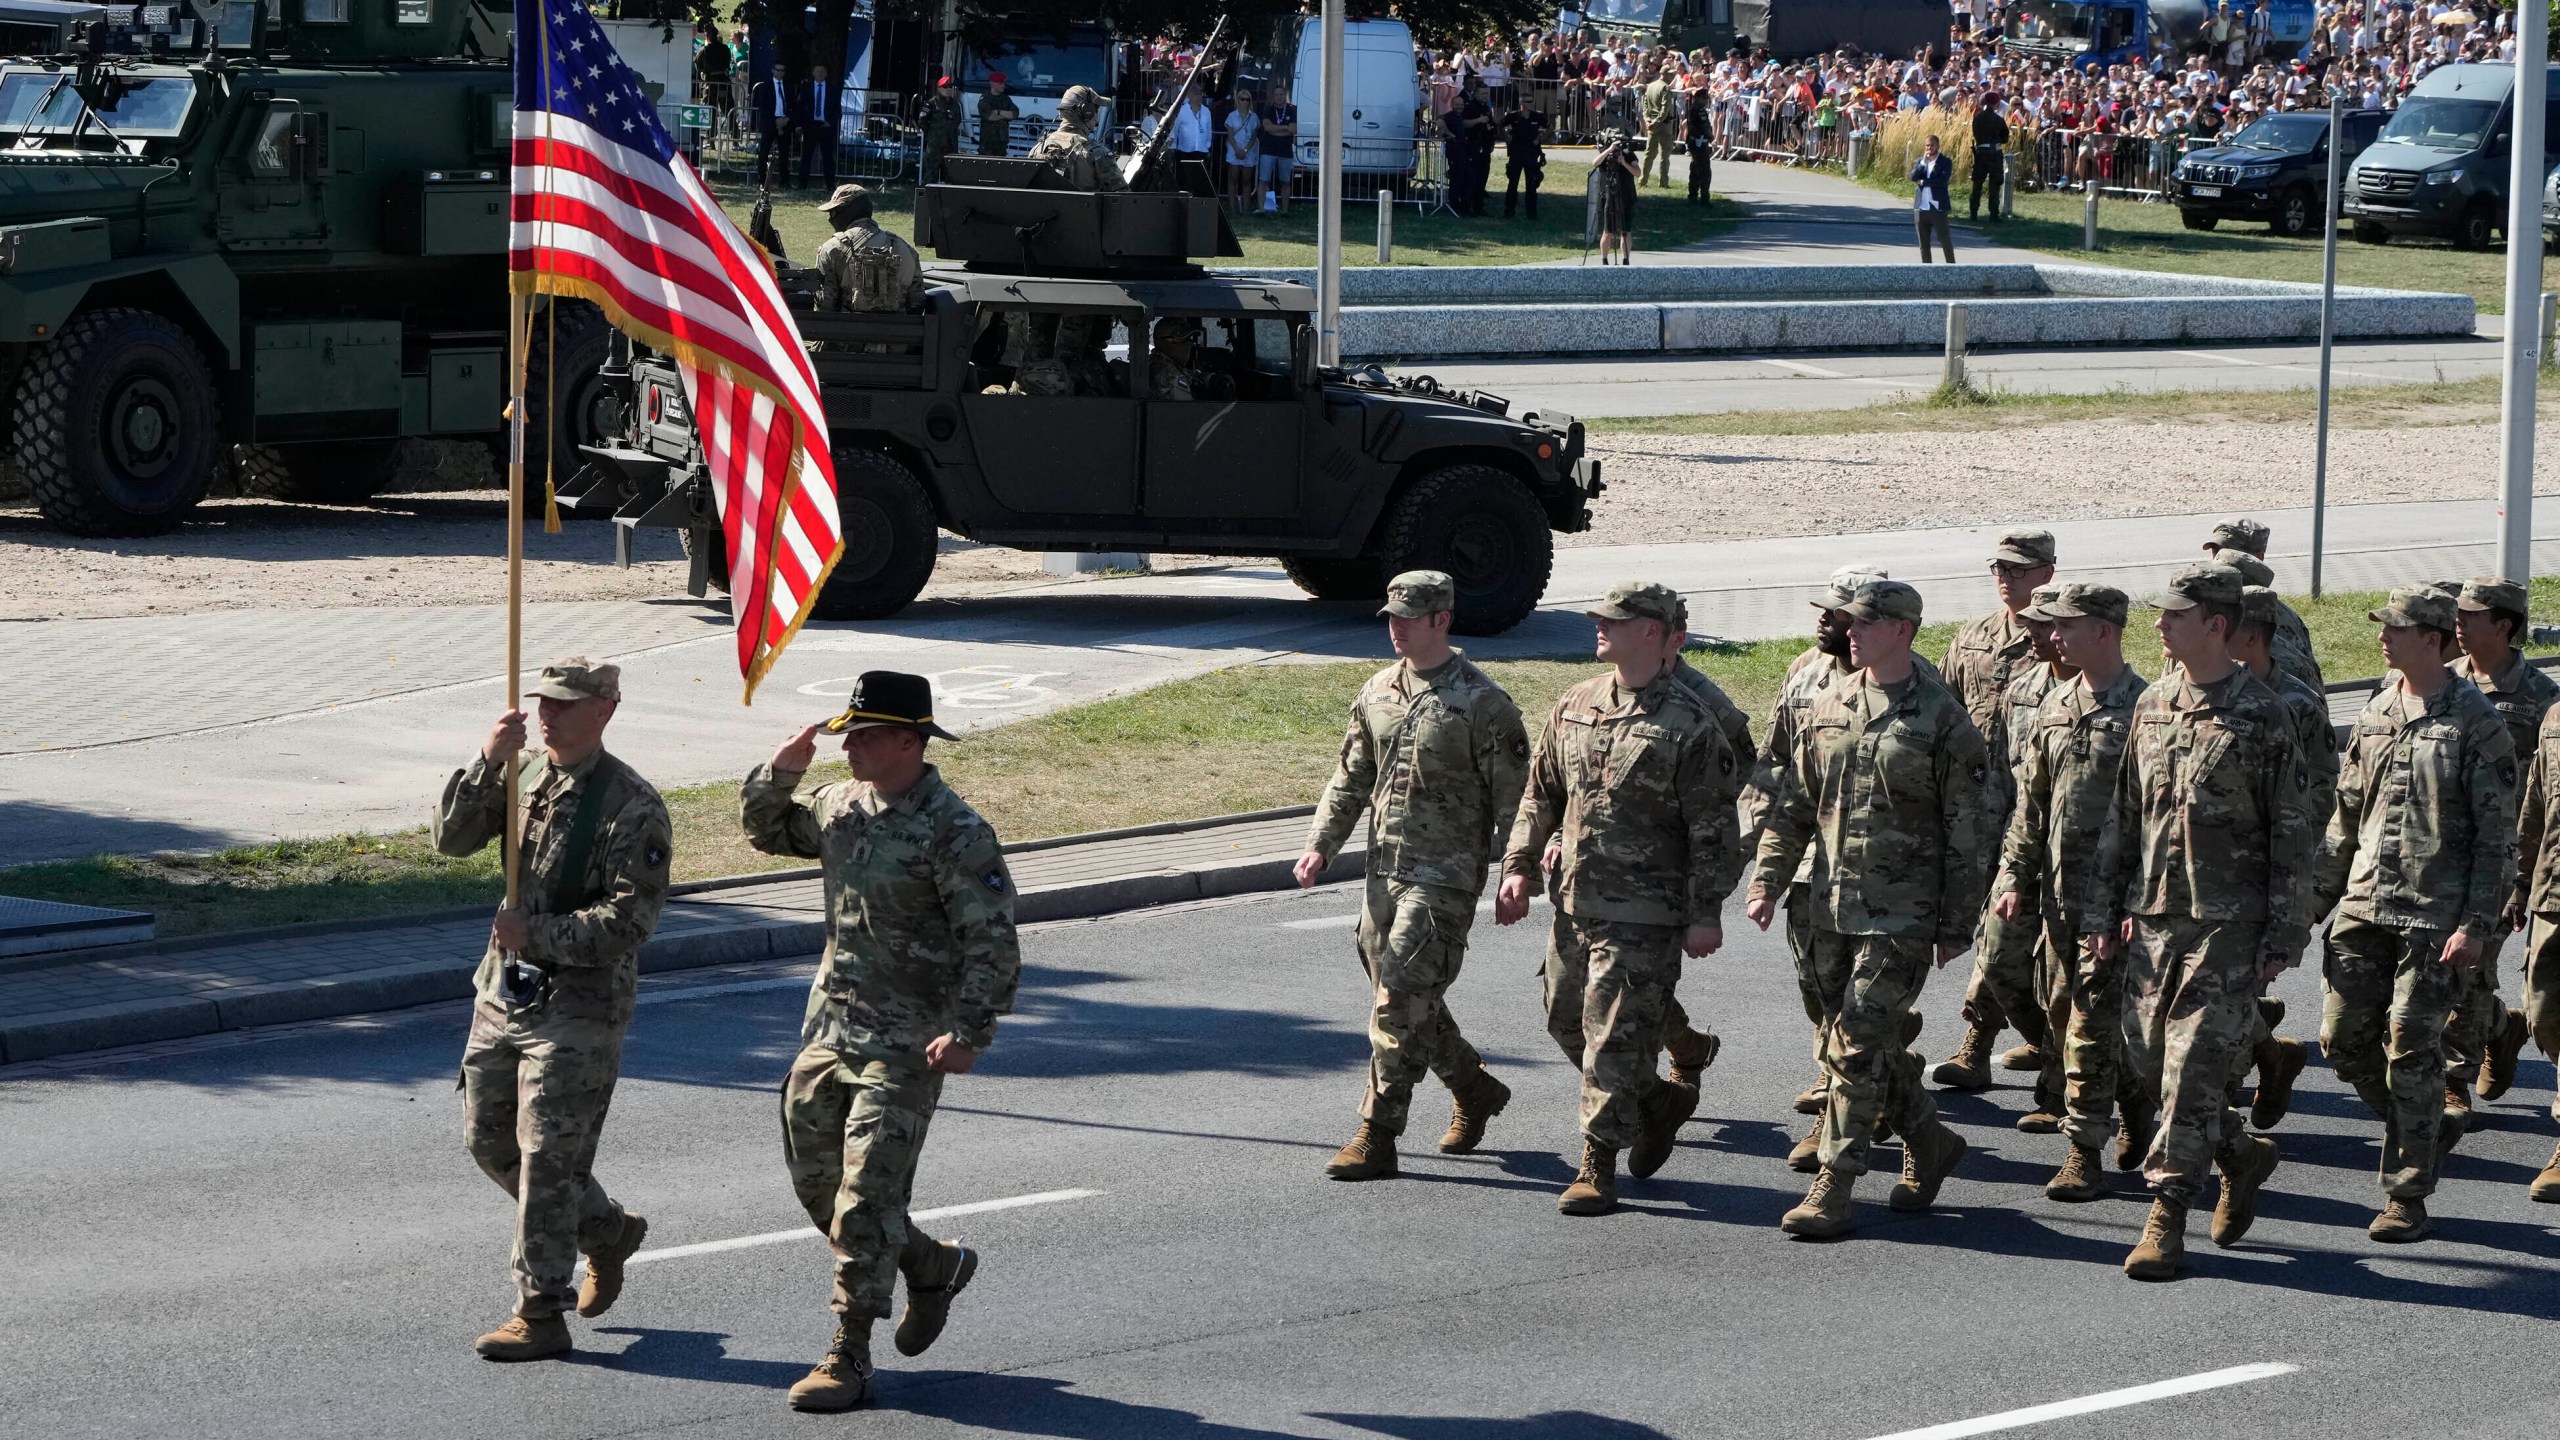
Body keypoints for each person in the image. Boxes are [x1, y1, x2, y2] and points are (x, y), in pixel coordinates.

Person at [741, 672, 1022, 1413]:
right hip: (829, 1031)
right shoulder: (840, 805)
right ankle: (930, 1265)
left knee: (867, 1198)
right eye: (848, 733)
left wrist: (970, 1033)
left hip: (907, 1044)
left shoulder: (955, 830)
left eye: (865, 734)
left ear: (910, 740)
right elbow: (769, 832)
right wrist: (781, 775)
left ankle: (848, 1352)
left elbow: (992, 939)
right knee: (818, 1186)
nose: (850, 745)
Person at [434, 658, 672, 1361]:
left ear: (604, 710)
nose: (549, 715)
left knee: (547, 1158)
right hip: (505, 991)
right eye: (544, 702)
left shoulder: (633, 805)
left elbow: (629, 923)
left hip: (580, 1005)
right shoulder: (524, 774)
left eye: (566, 704)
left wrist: (535, 933)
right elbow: (450, 840)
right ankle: (605, 1231)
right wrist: (486, 762)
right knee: (490, 1141)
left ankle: (540, 1309)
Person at [1748, 578, 1987, 1239]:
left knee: (1853, 1047)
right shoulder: (1826, 701)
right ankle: (1927, 1138)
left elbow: (1969, 829)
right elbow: (1796, 801)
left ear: (1904, 629)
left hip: (1901, 915)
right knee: (1849, 1041)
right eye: (1847, 618)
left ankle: (1836, 1183)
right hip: (1823, 903)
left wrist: (1956, 921)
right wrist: (1766, 880)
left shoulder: (1941, 718)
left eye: (1866, 619)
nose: (1848, 627)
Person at [2090, 563, 2308, 1282]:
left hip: (2229, 921)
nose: (2159, 625)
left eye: (2174, 615)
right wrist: (2104, 910)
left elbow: (2291, 829)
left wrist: (2282, 932)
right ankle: (2241, 1157)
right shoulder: (2153, 705)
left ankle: (2166, 1214)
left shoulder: (2262, 712)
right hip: (2153, 918)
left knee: (2189, 1073)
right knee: (2149, 1061)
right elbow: (2124, 816)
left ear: (2215, 624)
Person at [1496, 581, 1739, 1217]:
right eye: (1600, 617)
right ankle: (1656, 1103)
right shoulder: (1575, 703)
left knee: (1610, 1039)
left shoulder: (1689, 723)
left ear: (1653, 633)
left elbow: (1712, 831)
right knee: (1562, 1018)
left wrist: (1704, 912)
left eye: (1616, 620)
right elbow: (1541, 792)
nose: (1600, 627)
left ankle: (1596, 1164)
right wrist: (1519, 862)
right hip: (1576, 899)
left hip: (1647, 913)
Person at [1298, 571, 1530, 1181]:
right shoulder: (1377, 690)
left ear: (1442, 620)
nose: (1396, 627)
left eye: (1409, 616)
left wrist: (1517, 870)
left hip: (1445, 879)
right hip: (1384, 871)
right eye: (1392, 616)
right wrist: (1321, 845)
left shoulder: (1484, 703)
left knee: (1399, 999)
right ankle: (1474, 1089)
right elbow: (1351, 776)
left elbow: (1518, 803)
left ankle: (1377, 1133)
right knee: (1404, 998)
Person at [2312, 587, 2517, 1243]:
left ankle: (2407, 1195)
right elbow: (2345, 820)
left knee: (2412, 1051)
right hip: (2366, 904)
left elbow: (2497, 841)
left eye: (2395, 629)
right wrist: (2306, 910)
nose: (2382, 637)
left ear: (2431, 639)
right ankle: (2423, 1123)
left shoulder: (2475, 723)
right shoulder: (2375, 711)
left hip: (2436, 917)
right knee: (2341, 1042)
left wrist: (2476, 926)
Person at [1740, 566, 1936, 1167]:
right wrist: (1760, 837)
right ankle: (1899, 1109)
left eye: (1842, 611)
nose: (1828, 619)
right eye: (1825, 609)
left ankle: (1839, 1117)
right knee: (1822, 997)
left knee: (1856, 1021)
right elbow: (1778, 762)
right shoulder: (1806, 672)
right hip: (1810, 870)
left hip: (1886, 887)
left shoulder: (1925, 691)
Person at [1994, 584, 2152, 1201]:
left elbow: (2162, 821)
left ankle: (2082, 1151)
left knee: (2089, 1022)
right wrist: (2014, 876)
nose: (2052, 636)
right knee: (2061, 1015)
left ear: (2106, 631)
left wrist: (2135, 902)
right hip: (2059, 896)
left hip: (2115, 903)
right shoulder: (2056, 705)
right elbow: (2031, 805)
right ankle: (2136, 1100)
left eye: (2068, 626)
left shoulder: (2147, 709)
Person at [1933, 529, 2058, 1094]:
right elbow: (1945, 708)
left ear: (2047, 573)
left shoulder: (2058, 634)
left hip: (2031, 816)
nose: (2007, 578)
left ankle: (1985, 1041)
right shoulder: (1973, 636)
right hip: (1976, 814)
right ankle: (2030, 1036)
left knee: (2008, 933)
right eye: (2000, 568)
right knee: (1991, 930)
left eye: (2021, 569)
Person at [2221, 584, 2337, 1134]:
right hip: (2203, 876)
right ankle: (2269, 1054)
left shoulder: (2294, 706)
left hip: (2264, 877)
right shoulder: (2198, 694)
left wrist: (2289, 874)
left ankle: (2219, 1145)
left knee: (2218, 1007)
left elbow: (2322, 794)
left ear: (2250, 635)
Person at [2447, 576, 2555, 1131]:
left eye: (2471, 616)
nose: (2458, 623)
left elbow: (2541, 800)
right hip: (2439, 856)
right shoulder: (2443, 684)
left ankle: (2452, 1082)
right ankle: (2499, 1028)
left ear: (2504, 626)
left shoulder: (2540, 699)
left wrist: (2522, 880)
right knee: (2440, 971)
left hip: (2498, 861)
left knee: (2466, 971)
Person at [2200, 516, 2323, 690]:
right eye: (2216, 552)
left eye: (2231, 553)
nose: (2218, 561)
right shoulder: (2198, 613)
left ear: (2259, 557)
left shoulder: (2277, 620)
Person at [1027, 84, 1127, 193]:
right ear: (1087, 112)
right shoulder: (1097, 154)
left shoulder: (1038, 149)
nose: (1096, 117)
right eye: (1095, 110)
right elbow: (1123, 199)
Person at [1594, 129, 1639, 264]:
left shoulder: (1628, 155)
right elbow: (1595, 163)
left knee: (1626, 231)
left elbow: (1637, 173)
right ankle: (1604, 260)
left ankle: (1626, 260)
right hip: (1608, 196)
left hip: (1626, 196)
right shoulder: (1605, 155)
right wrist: (1609, 150)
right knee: (1607, 230)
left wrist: (1624, 163)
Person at [1911, 133, 1955, 263]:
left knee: (1945, 241)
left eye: (1932, 145)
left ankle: (1952, 268)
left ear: (1938, 146)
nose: (1929, 148)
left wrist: (1924, 182)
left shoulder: (1945, 162)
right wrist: (1923, 163)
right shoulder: (1921, 161)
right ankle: (1927, 270)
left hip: (1937, 207)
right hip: (1921, 207)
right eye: (1927, 145)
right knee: (1923, 245)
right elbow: (1913, 177)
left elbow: (1942, 181)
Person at [1257, 82, 1299, 213]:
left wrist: (1279, 129)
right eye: (1277, 95)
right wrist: (1285, 128)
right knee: (1263, 179)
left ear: (1285, 95)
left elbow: (1293, 129)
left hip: (1285, 150)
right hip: (1268, 149)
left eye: (1281, 94)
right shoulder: (1268, 109)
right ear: (1273, 96)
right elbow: (1267, 127)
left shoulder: (1291, 110)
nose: (1279, 97)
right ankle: (1261, 209)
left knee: (1285, 181)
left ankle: (1285, 210)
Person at [798, 62, 840, 191]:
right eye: (818, 71)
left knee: (828, 157)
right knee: (806, 157)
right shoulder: (806, 88)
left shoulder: (833, 89)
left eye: (823, 71)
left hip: (826, 127)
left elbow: (837, 109)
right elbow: (800, 107)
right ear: (813, 73)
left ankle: (830, 185)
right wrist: (802, 124)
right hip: (810, 127)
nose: (820, 74)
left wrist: (831, 122)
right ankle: (802, 184)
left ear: (826, 74)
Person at [1168, 82, 1216, 194]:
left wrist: (1208, 146)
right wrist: (1173, 147)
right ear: (1189, 94)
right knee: (1184, 182)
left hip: (1201, 151)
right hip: (1184, 151)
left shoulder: (1206, 111)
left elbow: (1209, 130)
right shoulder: (1182, 110)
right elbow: (1175, 129)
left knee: (1200, 182)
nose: (1199, 96)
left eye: (1200, 93)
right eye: (1196, 93)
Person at [1500, 104, 1546, 219]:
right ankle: (1509, 211)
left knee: (1531, 184)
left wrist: (1540, 139)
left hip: (1531, 153)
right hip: (1516, 152)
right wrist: (1506, 137)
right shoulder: (1512, 116)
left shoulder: (1537, 116)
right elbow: (1500, 125)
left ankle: (1531, 213)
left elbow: (1549, 127)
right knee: (1512, 183)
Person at [751, 61, 791, 189]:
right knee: (764, 153)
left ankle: (784, 181)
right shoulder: (765, 86)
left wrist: (786, 119)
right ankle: (762, 180)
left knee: (784, 154)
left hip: (784, 122)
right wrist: (774, 121)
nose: (780, 73)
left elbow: (793, 105)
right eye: (778, 70)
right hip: (769, 123)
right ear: (773, 71)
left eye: (782, 70)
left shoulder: (789, 86)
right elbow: (763, 107)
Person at [1971, 97, 2011, 219]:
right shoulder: (1999, 120)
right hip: (1994, 153)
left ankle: (1973, 212)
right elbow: (2005, 138)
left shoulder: (1977, 118)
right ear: (1996, 104)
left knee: (1977, 183)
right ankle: (1994, 213)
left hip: (1981, 152)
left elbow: (1975, 134)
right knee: (1995, 183)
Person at [920, 75, 963, 188]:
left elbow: (958, 120)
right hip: (935, 144)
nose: (948, 89)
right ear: (939, 88)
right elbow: (922, 121)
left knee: (951, 174)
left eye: (950, 86)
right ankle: (927, 198)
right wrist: (932, 134)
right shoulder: (931, 104)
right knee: (931, 173)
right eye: (945, 86)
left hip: (951, 144)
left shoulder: (955, 104)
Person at [1221, 91, 1258, 214]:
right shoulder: (1231, 116)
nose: (1245, 102)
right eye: (1242, 99)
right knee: (1233, 179)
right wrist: (1237, 149)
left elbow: (1254, 137)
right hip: (1234, 150)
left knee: (1247, 181)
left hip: (1248, 151)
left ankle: (1246, 210)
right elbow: (1230, 135)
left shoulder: (1254, 117)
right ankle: (1232, 209)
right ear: (1237, 100)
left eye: (1248, 99)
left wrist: (1246, 150)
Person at [1640, 68, 1678, 185]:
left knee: (1649, 153)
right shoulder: (1665, 88)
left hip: (1652, 121)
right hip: (1663, 124)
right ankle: (1663, 181)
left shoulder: (1650, 86)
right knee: (1664, 154)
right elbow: (1665, 108)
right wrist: (1656, 122)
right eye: (1671, 74)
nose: (1673, 76)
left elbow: (1645, 105)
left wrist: (1647, 120)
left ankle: (1643, 179)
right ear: (1664, 74)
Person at [1682, 78, 1715, 204]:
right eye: (1705, 98)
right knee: (1704, 170)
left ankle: (1693, 195)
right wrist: (1711, 138)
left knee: (1695, 169)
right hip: (1699, 142)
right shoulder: (1699, 110)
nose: (1706, 101)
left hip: (1694, 141)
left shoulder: (1693, 109)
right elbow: (1703, 127)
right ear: (1700, 98)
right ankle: (1704, 197)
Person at [975, 70, 1020, 156]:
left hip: (1001, 142)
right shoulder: (985, 99)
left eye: (1003, 83)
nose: (1003, 85)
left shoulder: (1006, 99)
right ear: (992, 84)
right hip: (988, 143)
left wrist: (998, 112)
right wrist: (1006, 115)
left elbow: (1015, 114)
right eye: (1000, 83)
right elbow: (990, 116)